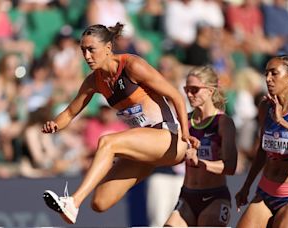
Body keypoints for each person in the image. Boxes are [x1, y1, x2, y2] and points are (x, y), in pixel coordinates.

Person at [42, 22, 199, 224]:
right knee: (100, 202)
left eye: (91, 50)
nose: (87, 56)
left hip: (170, 139)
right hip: (145, 147)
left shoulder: (132, 65)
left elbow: (176, 96)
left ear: (108, 48)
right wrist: (54, 124)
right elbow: (71, 112)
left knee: (108, 142)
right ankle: (76, 203)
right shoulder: (94, 81)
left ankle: (73, 202)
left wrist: (185, 134)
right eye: (83, 51)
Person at [235, 55, 288, 228]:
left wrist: (283, 122)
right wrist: (246, 186)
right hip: (266, 192)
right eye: (266, 74)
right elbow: (262, 151)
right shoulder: (265, 107)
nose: (268, 79)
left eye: (274, 73)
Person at [164, 66, 237, 227]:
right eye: (186, 89)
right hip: (187, 195)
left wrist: (200, 162)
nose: (189, 94)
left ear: (210, 91)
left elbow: (230, 167)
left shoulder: (223, 122)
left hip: (214, 197)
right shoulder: (185, 121)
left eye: (194, 89)